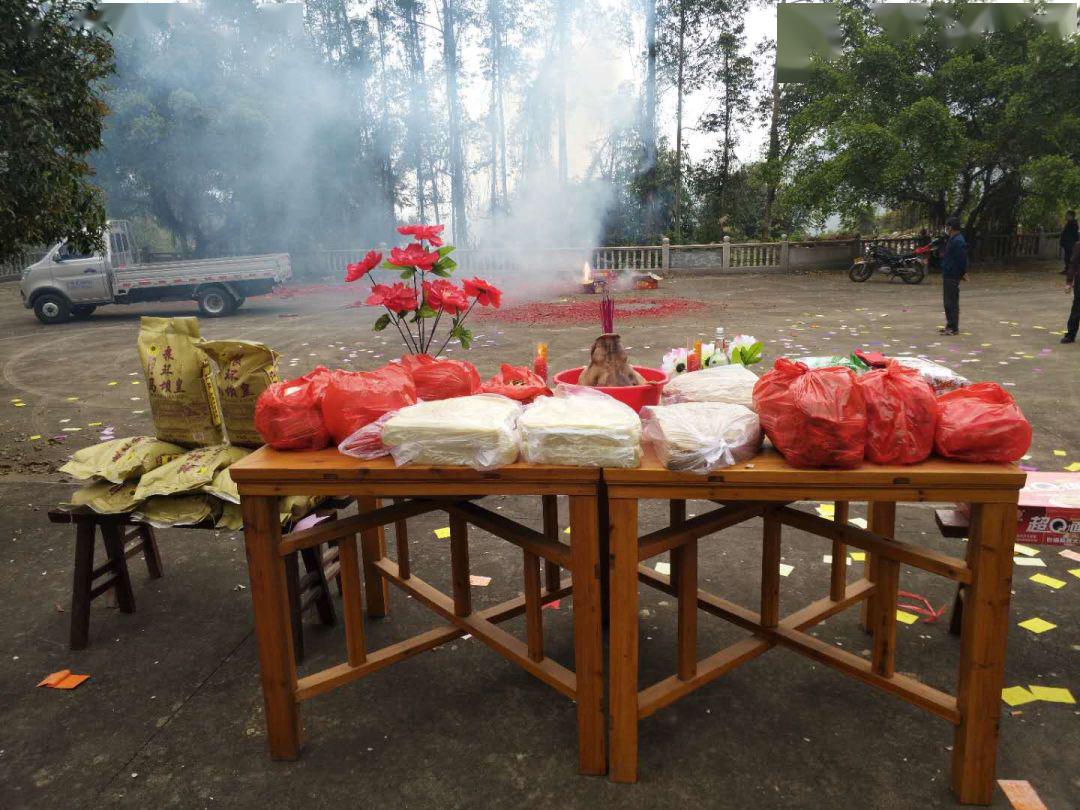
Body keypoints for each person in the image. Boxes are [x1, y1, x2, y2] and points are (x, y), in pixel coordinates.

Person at [939, 217, 967, 335]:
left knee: (951, 302)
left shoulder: (958, 240)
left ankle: (953, 327)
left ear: (950, 227)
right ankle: (949, 325)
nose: (946, 229)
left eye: (947, 227)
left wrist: (962, 273)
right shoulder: (953, 239)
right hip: (948, 273)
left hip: (953, 274)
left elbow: (962, 259)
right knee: (947, 302)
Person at [1062, 241, 1080, 343]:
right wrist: (1069, 282)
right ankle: (1071, 334)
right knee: (1077, 308)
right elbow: (1073, 264)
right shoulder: (1078, 246)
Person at [1060, 210, 1078, 274]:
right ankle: (1067, 269)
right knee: (1067, 257)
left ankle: (1070, 270)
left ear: (1071, 216)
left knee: (1069, 257)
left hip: (1070, 244)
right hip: (1067, 243)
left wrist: (1069, 243)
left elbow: (1071, 235)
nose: (1066, 216)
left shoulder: (1073, 224)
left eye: (1067, 215)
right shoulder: (1069, 223)